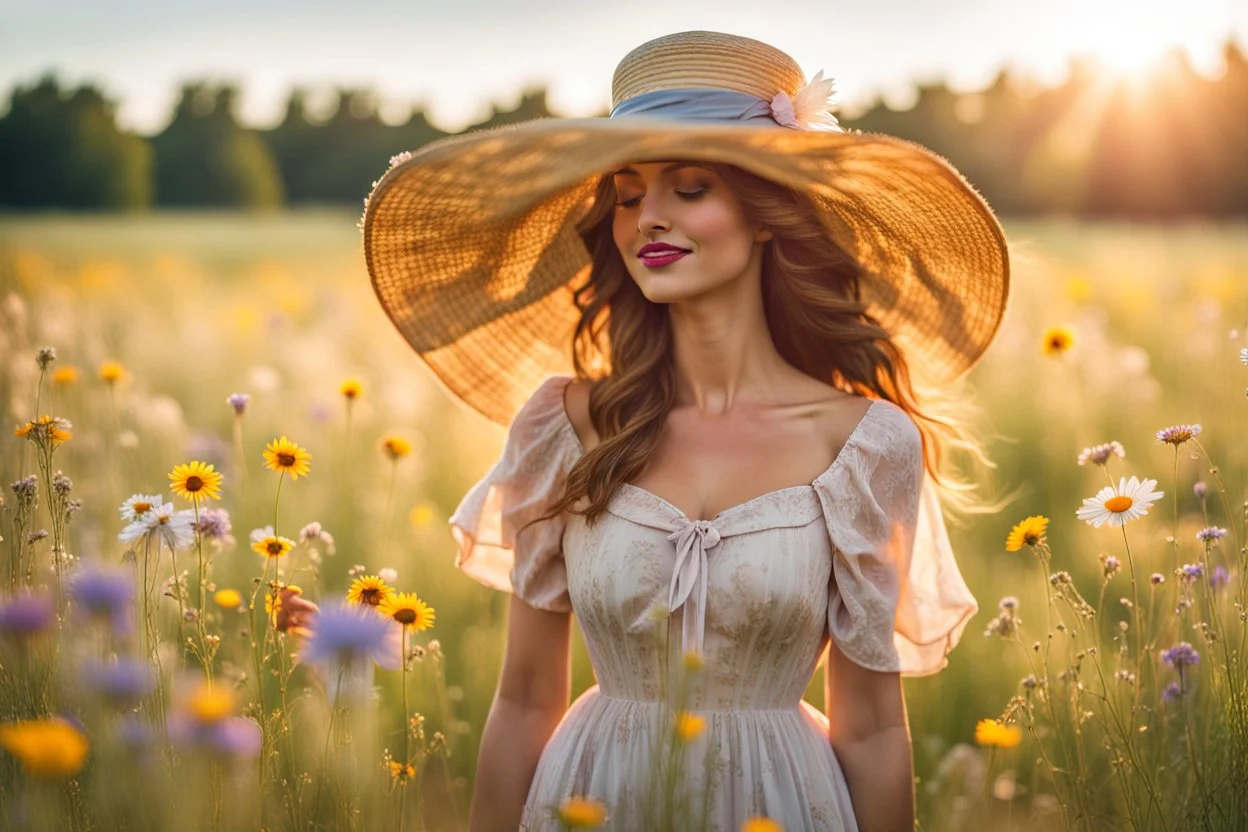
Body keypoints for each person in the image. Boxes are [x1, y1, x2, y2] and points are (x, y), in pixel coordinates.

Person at [360, 30, 1009, 832]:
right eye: (629, 195)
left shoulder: (865, 446)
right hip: (593, 797)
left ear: (769, 214)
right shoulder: (564, 427)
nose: (648, 219)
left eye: (691, 187)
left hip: (783, 805)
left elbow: (873, 727)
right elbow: (526, 699)